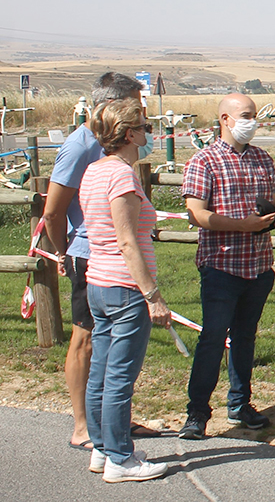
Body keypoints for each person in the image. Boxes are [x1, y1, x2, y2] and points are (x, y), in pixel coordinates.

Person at [41, 72, 158, 451]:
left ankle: (111, 423)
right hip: (90, 255)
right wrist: (62, 252)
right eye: (137, 111)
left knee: (110, 355)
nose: (143, 118)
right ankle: (83, 426)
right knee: (87, 341)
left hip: (108, 256)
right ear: (114, 110)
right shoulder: (79, 148)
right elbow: (54, 212)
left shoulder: (109, 154)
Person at [178, 94, 275, 440]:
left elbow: (274, 201)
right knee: (212, 339)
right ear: (225, 119)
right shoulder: (204, 161)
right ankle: (197, 412)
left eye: (254, 115)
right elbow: (196, 213)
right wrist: (244, 225)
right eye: (245, 115)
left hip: (258, 265)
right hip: (222, 266)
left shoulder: (262, 159)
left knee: (245, 338)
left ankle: (240, 404)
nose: (252, 121)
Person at [79, 99, 170, 482]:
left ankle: (103, 448)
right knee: (119, 376)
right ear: (129, 133)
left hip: (97, 283)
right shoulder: (120, 176)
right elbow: (128, 241)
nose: (149, 134)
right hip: (124, 286)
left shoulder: (93, 172)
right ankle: (120, 457)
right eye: (145, 127)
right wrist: (152, 295)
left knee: (100, 371)